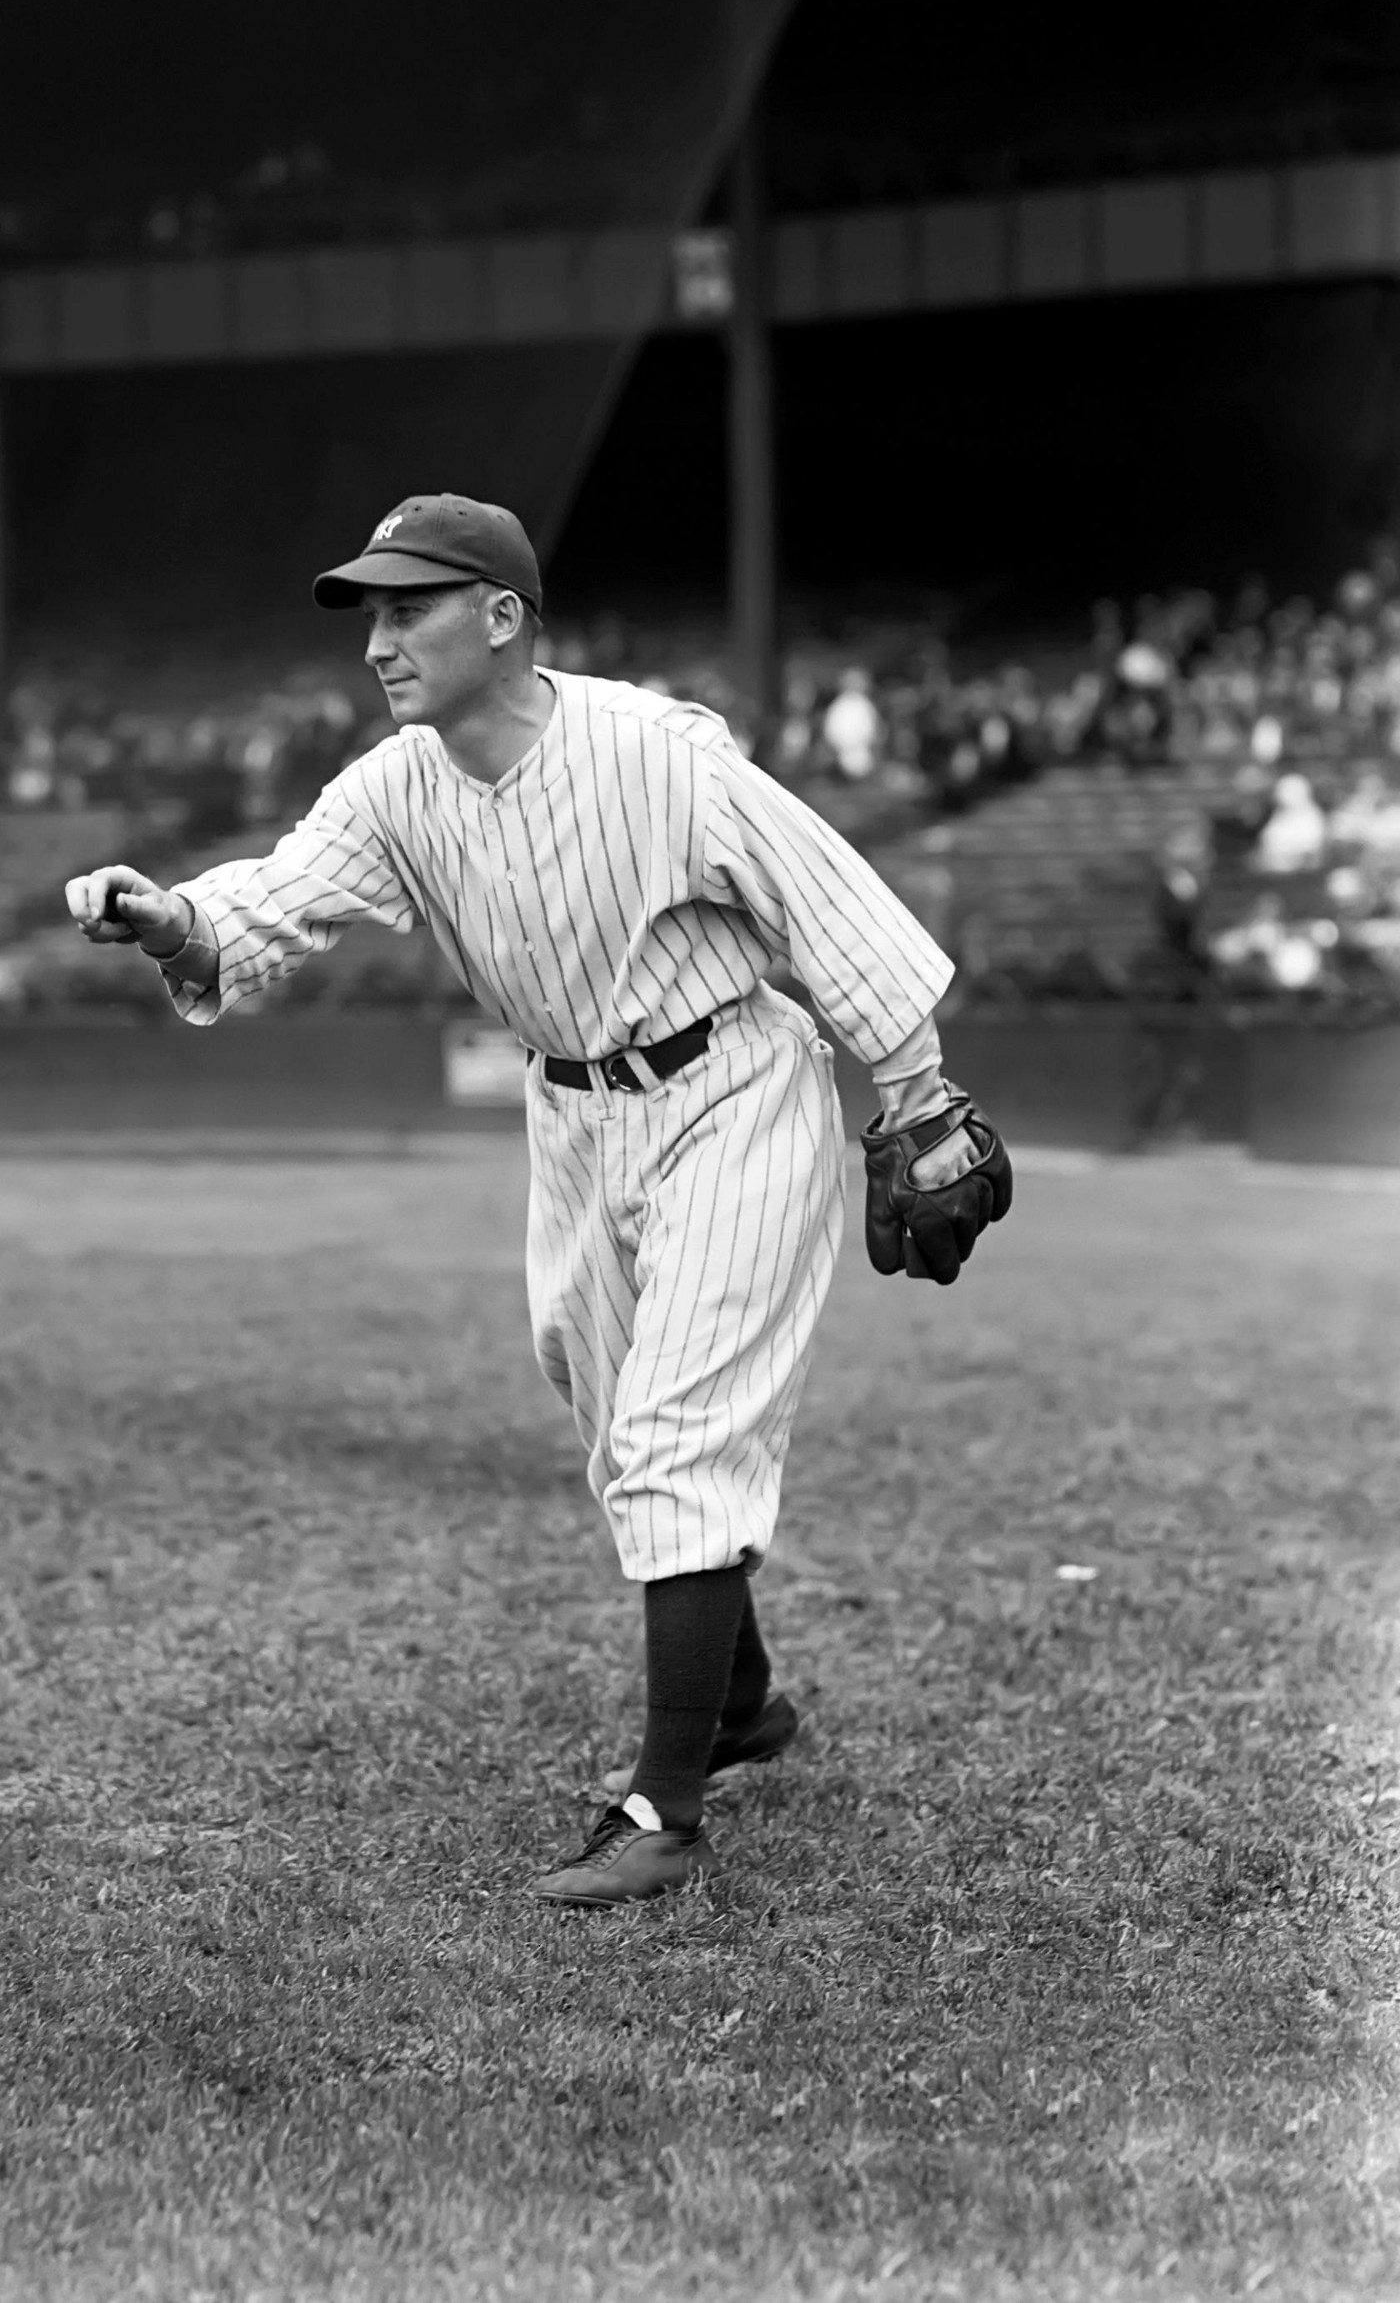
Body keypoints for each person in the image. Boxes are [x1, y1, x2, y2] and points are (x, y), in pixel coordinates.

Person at [65, 494, 1010, 1908]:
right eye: (370, 614)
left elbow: (828, 902)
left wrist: (920, 1097)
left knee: (682, 1430)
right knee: (605, 1401)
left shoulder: (658, 754)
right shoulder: (397, 787)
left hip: (730, 1091)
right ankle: (740, 1705)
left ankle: (664, 1811)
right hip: (570, 1114)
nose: (378, 640)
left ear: (501, 618)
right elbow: (275, 901)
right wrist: (173, 918)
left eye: (408, 608)